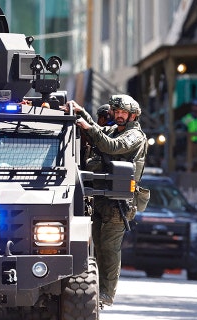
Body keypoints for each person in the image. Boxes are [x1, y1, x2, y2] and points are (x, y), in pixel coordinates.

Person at [65, 94, 147, 308]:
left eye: (123, 113)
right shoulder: (112, 130)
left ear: (133, 115)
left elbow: (111, 146)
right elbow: (97, 132)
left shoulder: (134, 136)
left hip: (118, 203)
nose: (119, 116)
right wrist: (80, 111)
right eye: (116, 112)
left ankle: (106, 294)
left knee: (109, 250)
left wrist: (88, 126)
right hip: (102, 197)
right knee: (97, 247)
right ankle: (97, 291)